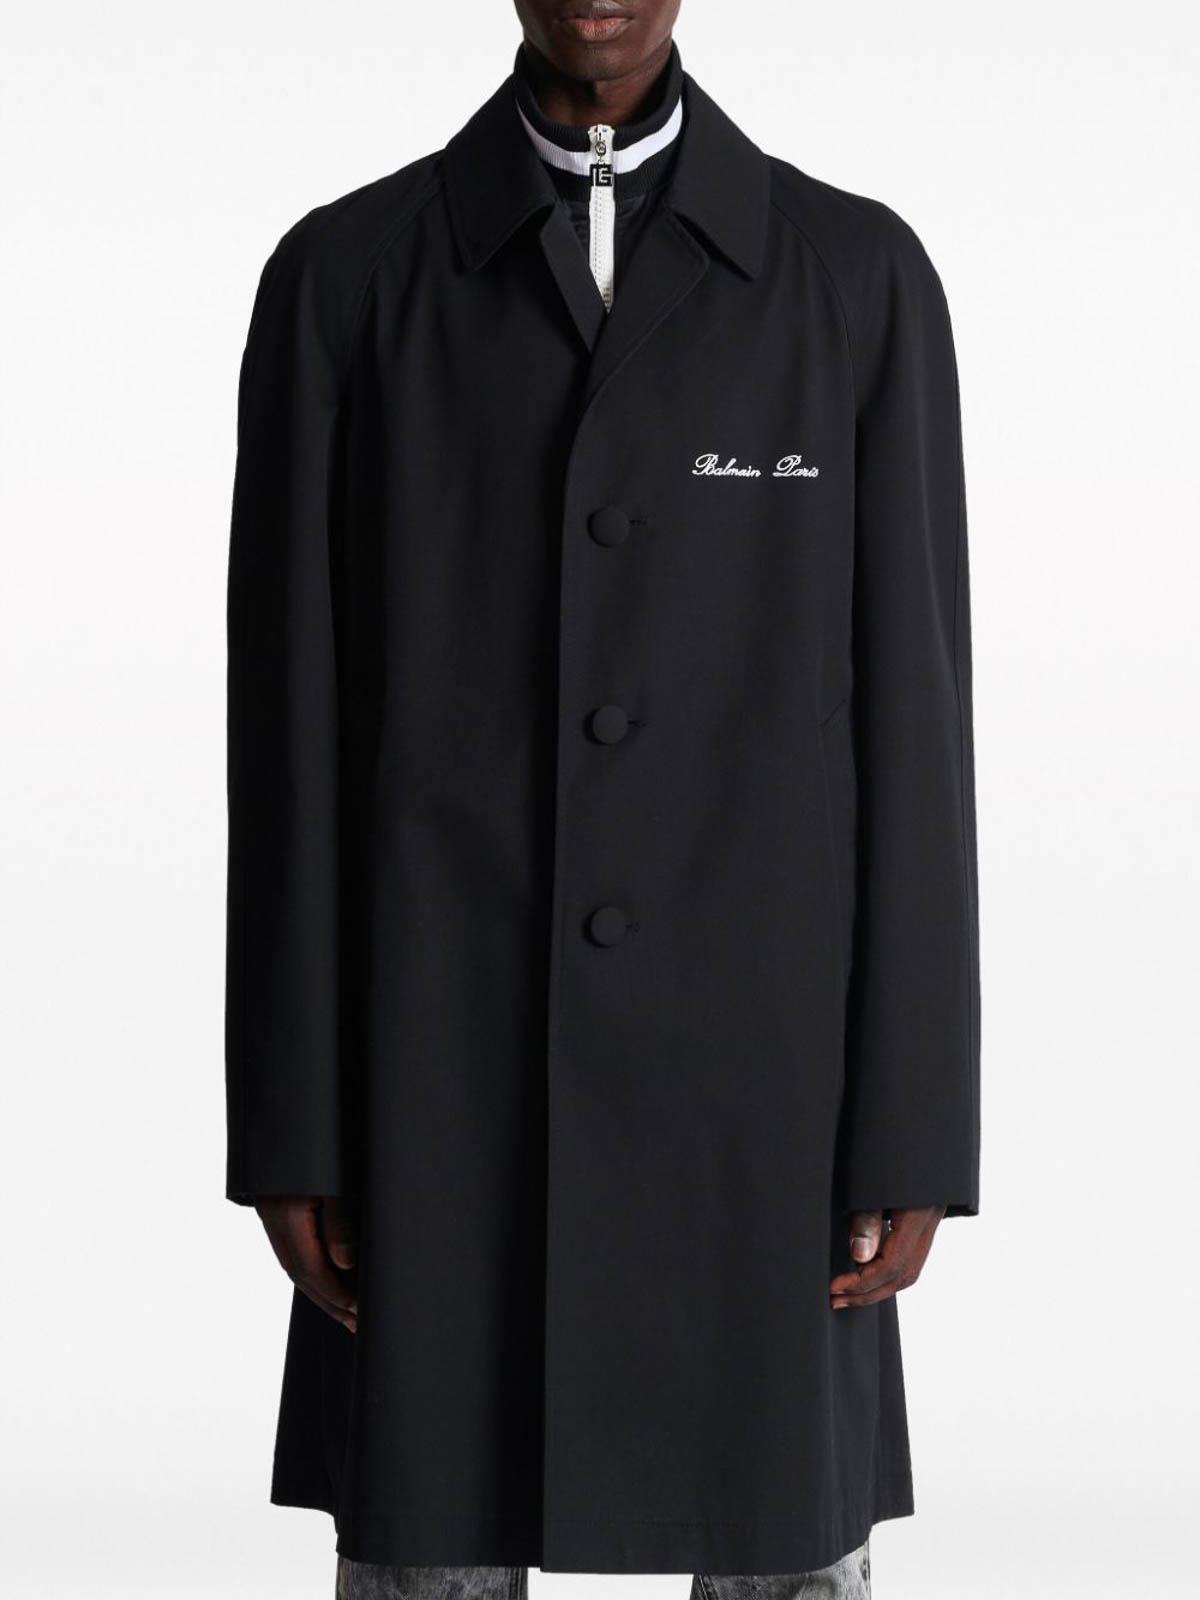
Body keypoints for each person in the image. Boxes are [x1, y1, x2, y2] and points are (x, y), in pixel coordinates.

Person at [225, 2, 981, 1596]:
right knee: (430, 1533)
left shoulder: (853, 280)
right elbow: (285, 734)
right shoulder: (346, 278)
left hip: (766, 1090)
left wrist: (915, 1119)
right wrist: (293, 1116)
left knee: (784, 1539)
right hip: (439, 1065)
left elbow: (915, 734)